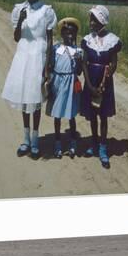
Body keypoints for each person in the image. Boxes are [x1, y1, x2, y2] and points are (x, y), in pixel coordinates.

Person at [1, 0, 57, 159]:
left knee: (35, 99)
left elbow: (49, 40)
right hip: (23, 56)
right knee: (25, 98)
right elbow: (17, 37)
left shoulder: (46, 10)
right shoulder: (19, 9)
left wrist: (48, 64)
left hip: (38, 57)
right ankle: (25, 139)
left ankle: (35, 140)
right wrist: (20, 22)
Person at [80, 5, 122, 169]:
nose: (91, 23)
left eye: (94, 20)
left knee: (103, 115)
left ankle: (103, 148)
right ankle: (94, 142)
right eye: (90, 19)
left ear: (102, 21)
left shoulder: (112, 40)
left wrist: (106, 79)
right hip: (90, 79)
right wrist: (90, 85)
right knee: (92, 115)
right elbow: (84, 63)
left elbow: (114, 63)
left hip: (105, 83)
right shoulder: (87, 40)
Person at [45, 18, 82, 159]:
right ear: (62, 34)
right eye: (66, 33)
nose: (69, 36)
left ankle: (73, 144)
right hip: (58, 83)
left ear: (75, 34)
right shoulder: (56, 48)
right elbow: (51, 65)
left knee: (71, 114)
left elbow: (78, 72)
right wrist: (48, 79)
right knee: (58, 114)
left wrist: (78, 61)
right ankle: (58, 143)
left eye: (72, 33)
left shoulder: (77, 51)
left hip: (71, 83)